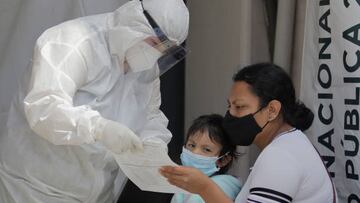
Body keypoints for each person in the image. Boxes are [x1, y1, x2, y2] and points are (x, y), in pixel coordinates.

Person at [0, 0, 189, 202]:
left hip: (97, 194)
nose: (156, 54)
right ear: (136, 21)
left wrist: (154, 144)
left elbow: (150, 114)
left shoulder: (145, 69)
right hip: (35, 188)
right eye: (155, 43)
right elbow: (44, 107)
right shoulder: (72, 42)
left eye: (166, 49)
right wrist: (98, 128)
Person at [160, 63, 337, 203]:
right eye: (230, 106)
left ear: (272, 110)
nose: (230, 115)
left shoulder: (281, 156)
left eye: (240, 107)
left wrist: (205, 188)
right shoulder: (290, 144)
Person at [171, 114, 241, 203]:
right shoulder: (183, 184)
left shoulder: (225, 185)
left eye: (206, 149)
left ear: (224, 160)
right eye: (192, 145)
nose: (195, 152)